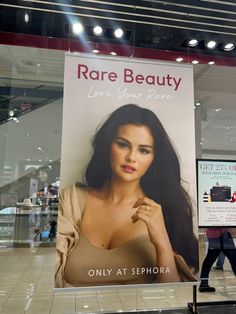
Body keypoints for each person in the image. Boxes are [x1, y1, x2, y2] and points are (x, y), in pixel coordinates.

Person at [55, 104, 198, 288]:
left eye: (144, 150)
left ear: (154, 159)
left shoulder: (166, 210)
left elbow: (174, 294)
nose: (131, 157)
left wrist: (161, 239)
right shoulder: (72, 200)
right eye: (123, 145)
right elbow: (51, 275)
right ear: (108, 146)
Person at [199, 228, 236, 292]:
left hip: (216, 234)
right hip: (220, 233)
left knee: (209, 259)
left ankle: (203, 283)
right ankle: (203, 283)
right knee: (234, 258)